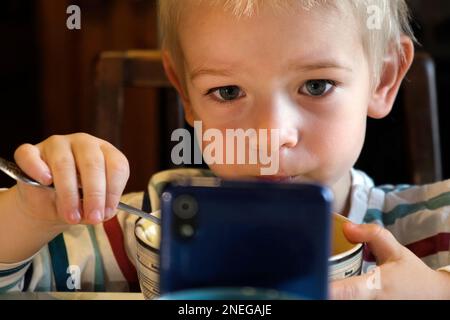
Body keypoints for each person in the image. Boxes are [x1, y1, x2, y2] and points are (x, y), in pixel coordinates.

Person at [1, 0, 449, 299]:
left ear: (384, 79)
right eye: (228, 91)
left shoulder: (433, 226)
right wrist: (33, 213)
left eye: (316, 85)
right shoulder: (159, 224)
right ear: (187, 96)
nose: (271, 137)